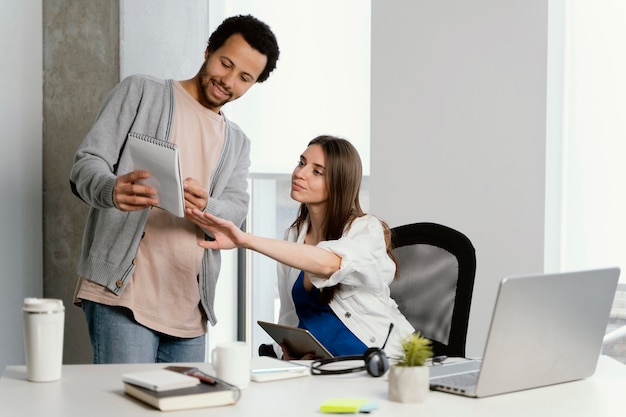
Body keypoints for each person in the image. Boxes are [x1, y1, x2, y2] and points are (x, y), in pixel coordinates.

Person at [69, 15, 280, 364]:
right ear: (208, 49)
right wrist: (110, 189)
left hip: (188, 311)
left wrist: (208, 205)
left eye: (245, 77)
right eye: (225, 64)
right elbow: (86, 163)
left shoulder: (237, 143)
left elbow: (236, 207)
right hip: (122, 296)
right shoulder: (142, 92)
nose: (228, 81)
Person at [187, 135, 415, 360]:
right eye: (301, 163)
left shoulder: (365, 229)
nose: (299, 173)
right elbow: (289, 316)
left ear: (338, 183)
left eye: (317, 172)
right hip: (322, 367)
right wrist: (287, 354)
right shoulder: (294, 235)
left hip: (377, 361)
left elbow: (330, 263)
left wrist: (245, 240)